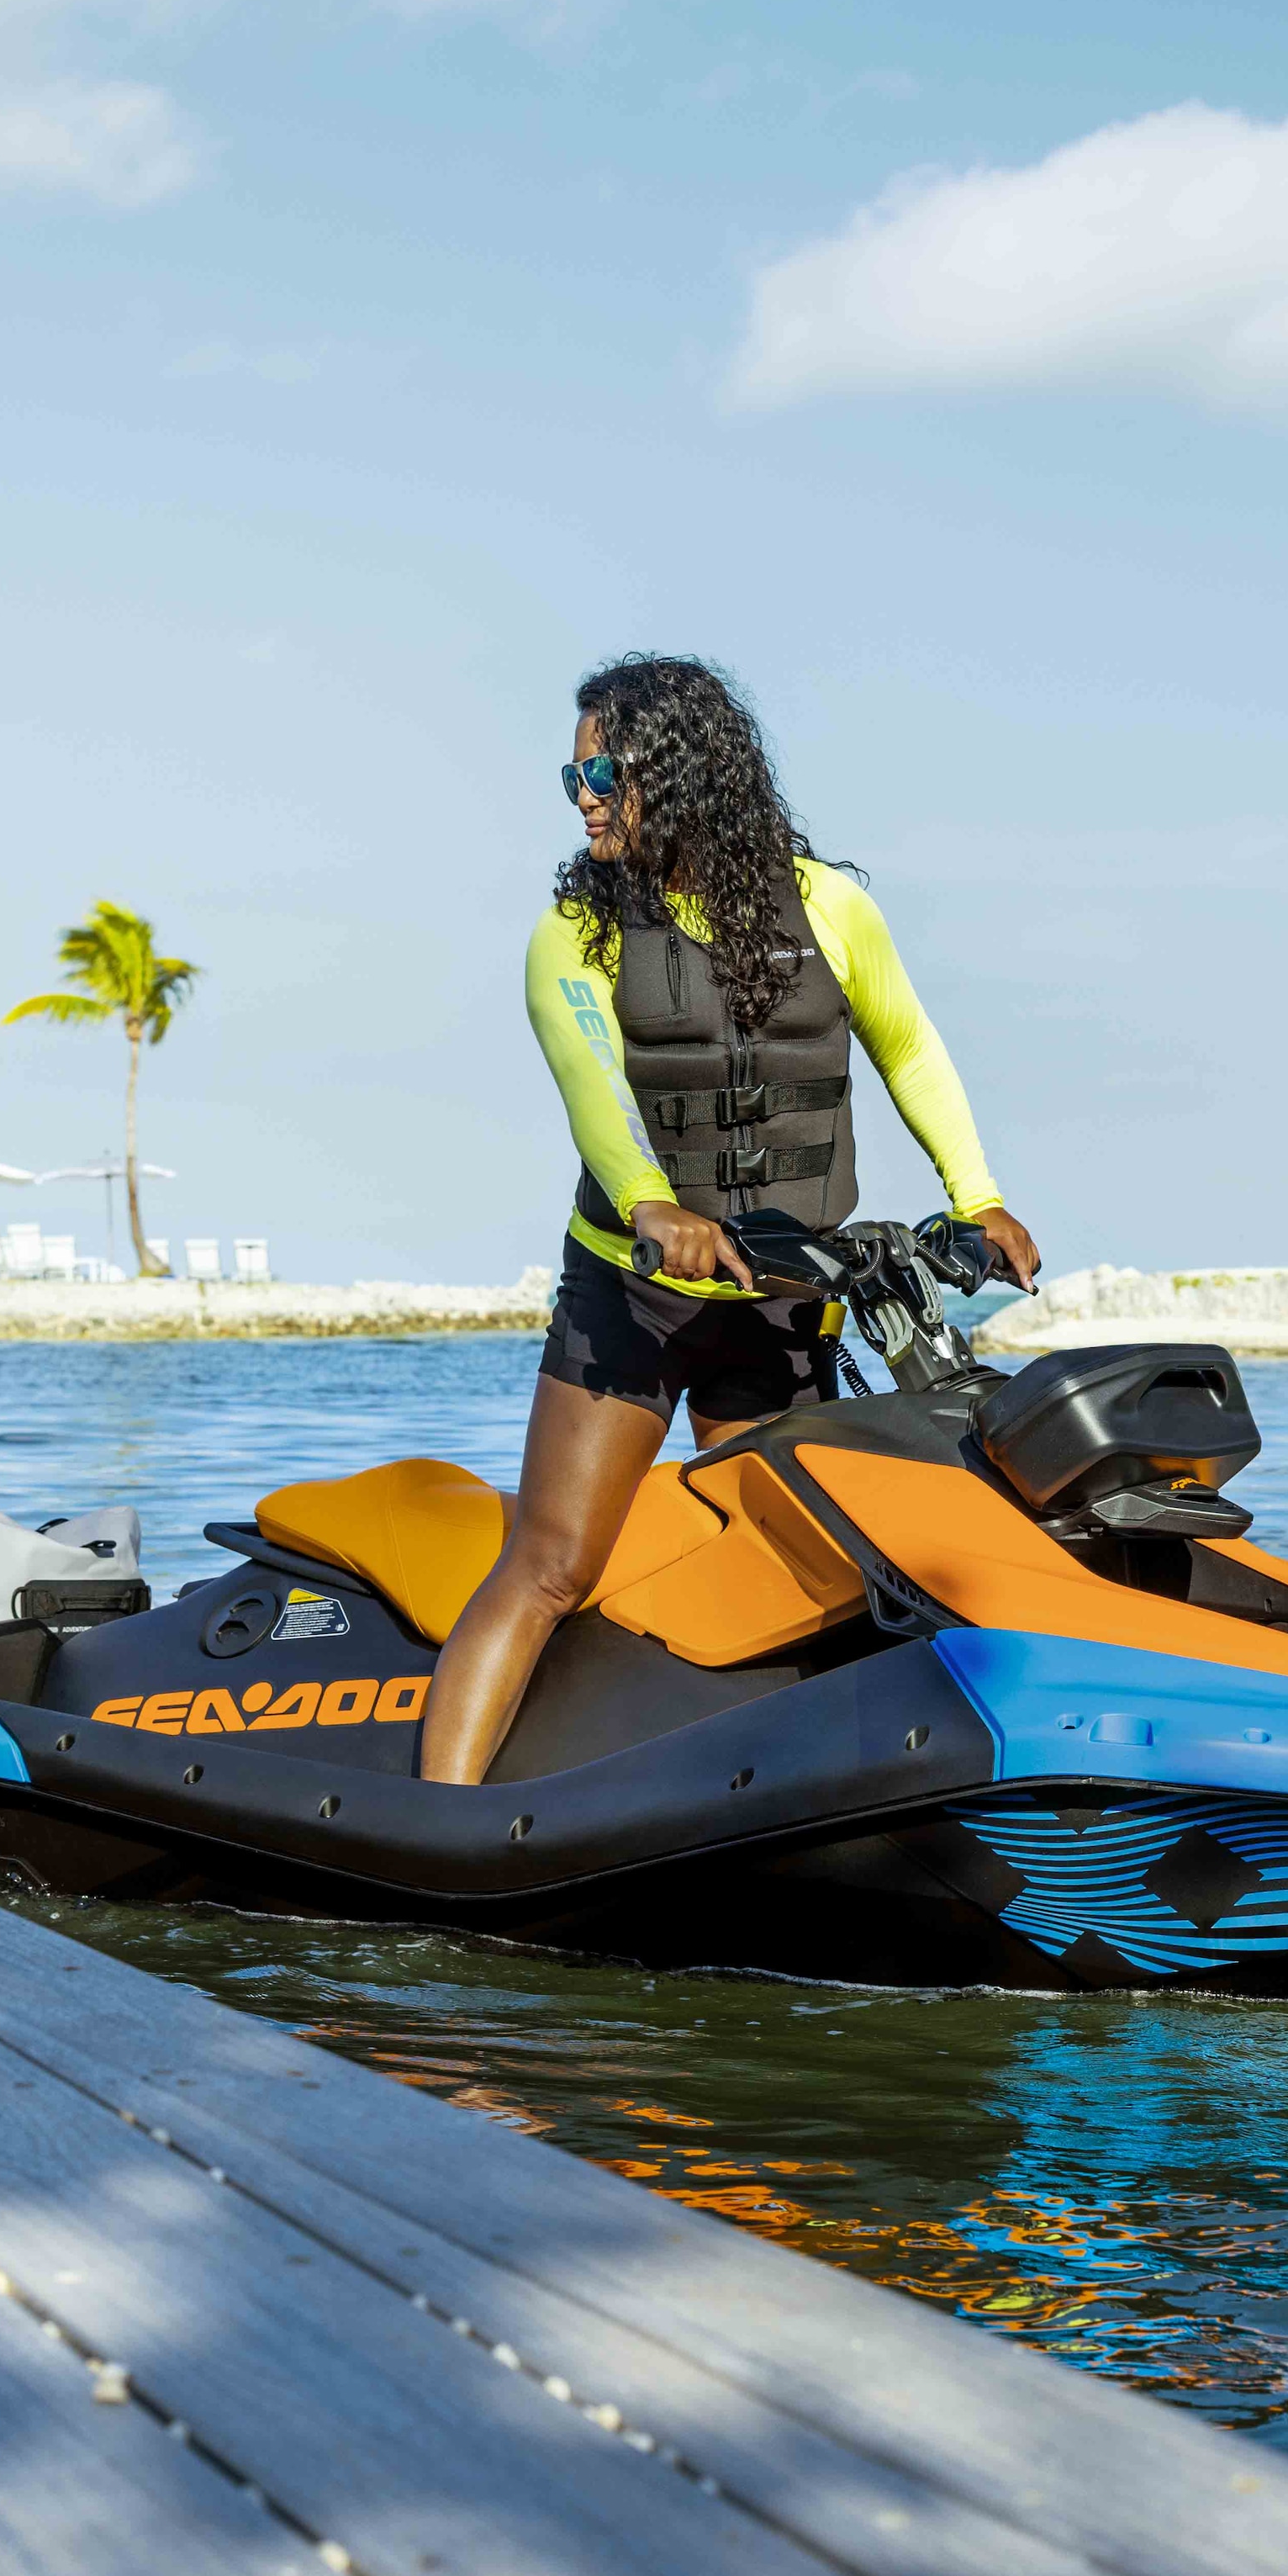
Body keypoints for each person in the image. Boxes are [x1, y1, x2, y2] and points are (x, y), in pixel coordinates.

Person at [420, 655, 1038, 1785]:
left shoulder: (833, 907)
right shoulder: (577, 930)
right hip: (635, 1298)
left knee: (789, 1569)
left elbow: (909, 1047)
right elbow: (593, 1082)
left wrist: (977, 1196)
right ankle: (437, 1817)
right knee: (553, 1562)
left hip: (783, 1297)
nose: (585, 797)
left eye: (603, 770)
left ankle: (769, 1797)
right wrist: (654, 1205)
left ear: (681, 770)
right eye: (572, 777)